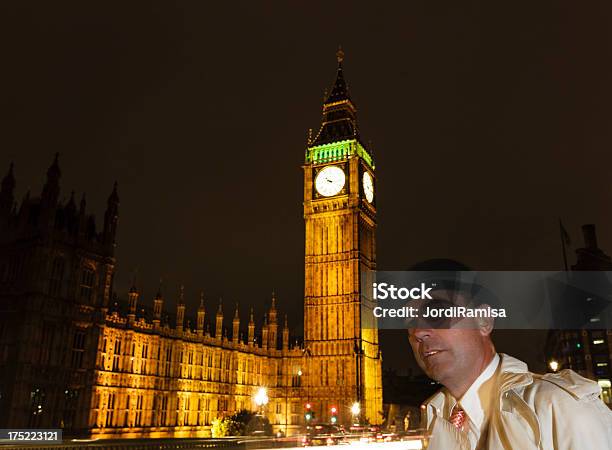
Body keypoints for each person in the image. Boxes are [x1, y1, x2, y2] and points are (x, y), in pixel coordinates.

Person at [406, 260, 612, 450]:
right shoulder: (430, 420)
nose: (418, 332)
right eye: (410, 321)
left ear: (484, 321)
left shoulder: (559, 408)